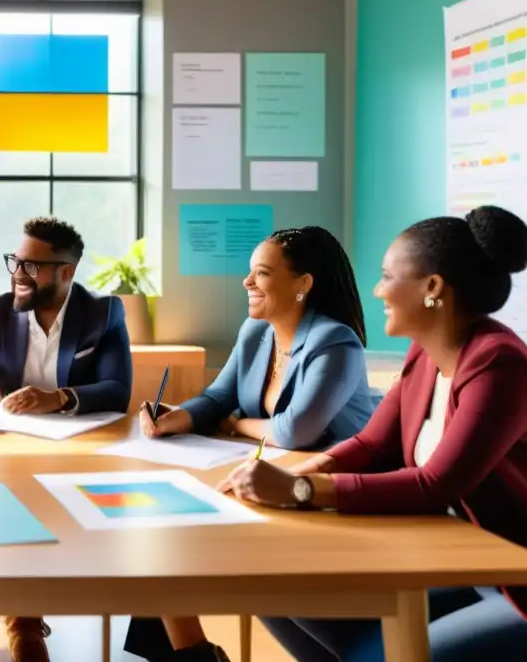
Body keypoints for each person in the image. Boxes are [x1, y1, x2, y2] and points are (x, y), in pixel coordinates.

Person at [216, 206, 527, 661]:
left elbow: (435, 484)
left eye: (386, 276)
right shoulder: (425, 355)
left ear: (432, 288)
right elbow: (372, 444)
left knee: (399, 654)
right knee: (268, 582)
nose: (377, 289)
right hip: (457, 562)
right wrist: (288, 477)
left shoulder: (499, 363)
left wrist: (300, 489)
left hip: (511, 580)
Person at [125, 226, 378, 662]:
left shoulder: (336, 341)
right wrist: (177, 417)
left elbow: (297, 430)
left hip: (325, 491)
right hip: (273, 479)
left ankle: (187, 653)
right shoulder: (256, 331)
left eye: (261, 273)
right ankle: (187, 652)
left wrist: (238, 426)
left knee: (184, 534)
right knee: (162, 520)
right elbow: (219, 397)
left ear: (303, 284)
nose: (246, 283)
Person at [0, 216, 132, 662]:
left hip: (82, 455)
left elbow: (118, 391)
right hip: (12, 450)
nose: (18, 274)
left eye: (32, 266)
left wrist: (58, 397)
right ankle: (23, 623)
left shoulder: (103, 312)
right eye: (15, 262)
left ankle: (30, 619)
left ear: (66, 272)